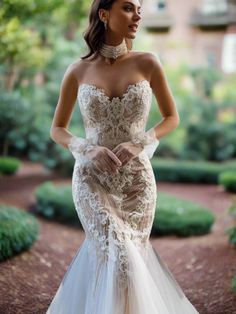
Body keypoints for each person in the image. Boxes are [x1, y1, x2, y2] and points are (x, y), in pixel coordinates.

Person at [46, 0, 200, 313]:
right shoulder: (78, 69)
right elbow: (57, 129)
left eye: (140, 8)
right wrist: (87, 148)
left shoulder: (148, 62)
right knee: (115, 250)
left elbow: (172, 118)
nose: (138, 14)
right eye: (128, 7)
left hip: (137, 183)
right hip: (92, 179)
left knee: (130, 258)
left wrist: (140, 142)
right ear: (104, 14)